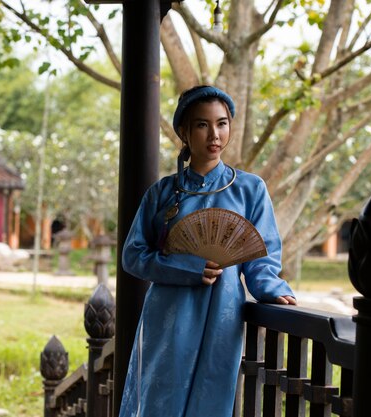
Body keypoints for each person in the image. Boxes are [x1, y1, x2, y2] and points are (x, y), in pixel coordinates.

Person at [119, 85, 296, 417]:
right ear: (185, 132)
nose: (214, 134)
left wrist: (270, 289)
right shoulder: (162, 193)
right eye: (202, 125)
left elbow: (262, 256)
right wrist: (186, 267)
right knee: (160, 400)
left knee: (211, 400)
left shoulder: (250, 189)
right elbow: (133, 256)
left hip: (223, 314)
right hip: (168, 314)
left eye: (222, 123)